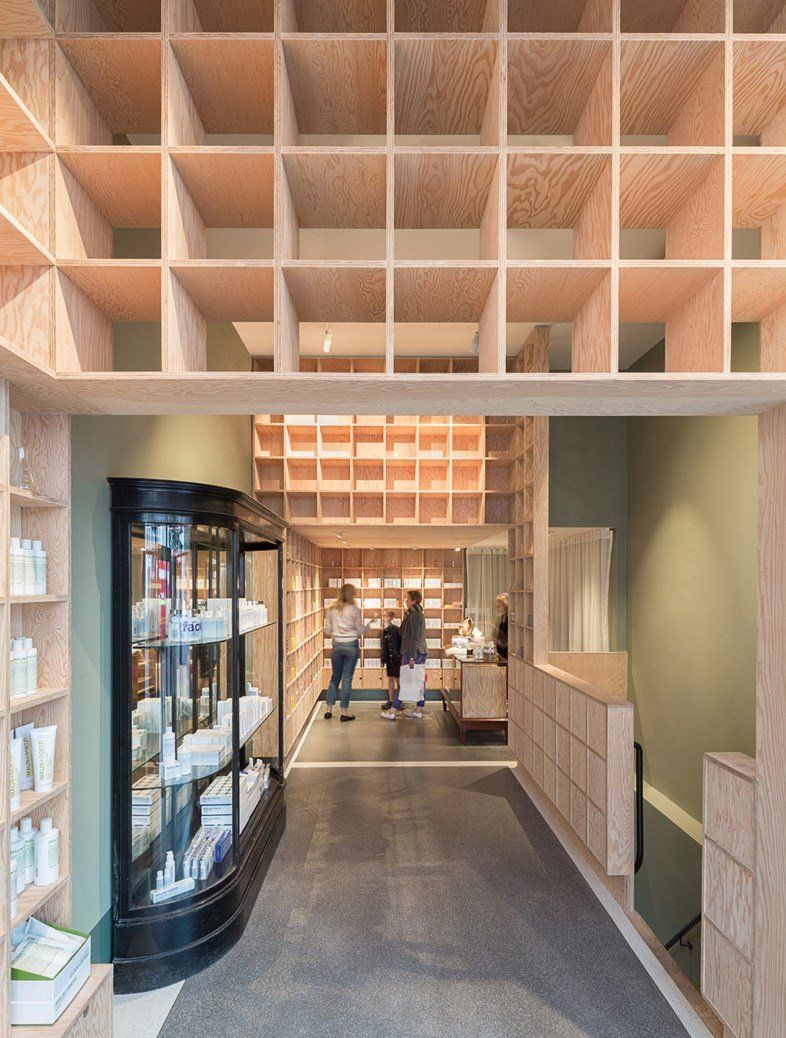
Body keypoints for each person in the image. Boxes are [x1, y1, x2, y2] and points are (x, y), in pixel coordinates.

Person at [324, 584, 373, 722]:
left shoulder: (331, 609)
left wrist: (337, 632)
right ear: (351, 594)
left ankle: (328, 710)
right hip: (351, 645)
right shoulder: (354, 610)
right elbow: (358, 630)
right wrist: (367, 627)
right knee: (346, 679)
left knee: (335, 678)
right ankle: (344, 711)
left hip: (337, 645)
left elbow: (327, 630)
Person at [382, 589, 428, 720]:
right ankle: (418, 710)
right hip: (415, 652)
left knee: (405, 681)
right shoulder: (413, 615)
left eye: (407, 599)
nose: (405, 601)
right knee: (418, 681)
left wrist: (412, 656)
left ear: (413, 601)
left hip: (413, 653)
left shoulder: (415, 616)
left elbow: (415, 637)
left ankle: (392, 711)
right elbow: (404, 632)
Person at [379, 609, 402, 712]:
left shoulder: (396, 629)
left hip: (396, 659)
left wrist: (400, 656)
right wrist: (383, 658)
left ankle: (399, 701)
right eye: (383, 616)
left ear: (392, 618)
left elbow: (401, 644)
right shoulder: (384, 630)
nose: (385, 618)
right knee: (390, 679)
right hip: (388, 659)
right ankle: (391, 700)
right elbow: (383, 646)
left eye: (386, 616)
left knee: (398, 680)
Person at [494, 593, 508, 661]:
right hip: (501, 654)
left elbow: (507, 643)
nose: (497, 609)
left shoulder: (510, 620)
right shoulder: (502, 617)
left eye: (499, 606)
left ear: (505, 605)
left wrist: (498, 642)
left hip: (507, 655)